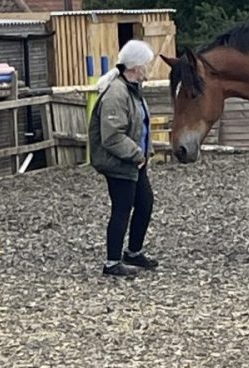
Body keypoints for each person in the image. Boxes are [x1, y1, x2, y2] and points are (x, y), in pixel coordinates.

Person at [88, 40, 158, 277]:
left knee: (145, 204)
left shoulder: (132, 89)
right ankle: (111, 262)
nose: (149, 69)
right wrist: (137, 154)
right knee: (122, 209)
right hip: (120, 163)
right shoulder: (117, 93)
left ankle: (134, 252)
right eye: (147, 64)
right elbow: (112, 136)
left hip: (135, 161)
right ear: (136, 66)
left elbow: (140, 125)